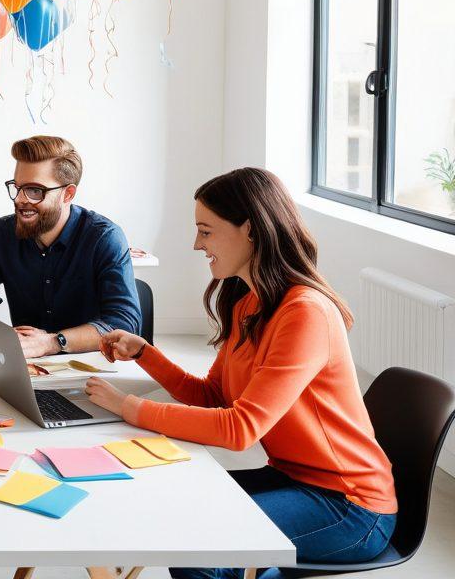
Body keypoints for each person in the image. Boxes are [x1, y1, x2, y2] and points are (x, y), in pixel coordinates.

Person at [85, 168, 397, 579]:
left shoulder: (305, 312)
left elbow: (240, 429)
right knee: (171, 509)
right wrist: (145, 353)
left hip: (349, 506)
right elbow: (213, 394)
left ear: (249, 229)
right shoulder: (247, 303)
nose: (197, 244)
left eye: (206, 231)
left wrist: (129, 407)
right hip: (292, 478)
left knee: (199, 551)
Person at [0, 135, 140, 355]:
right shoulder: (3, 233)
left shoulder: (104, 237)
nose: (20, 199)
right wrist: (0, 336)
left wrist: (52, 342)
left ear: (67, 194)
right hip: (25, 368)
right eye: (18, 187)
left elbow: (125, 323)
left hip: (90, 370)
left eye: (34, 191)